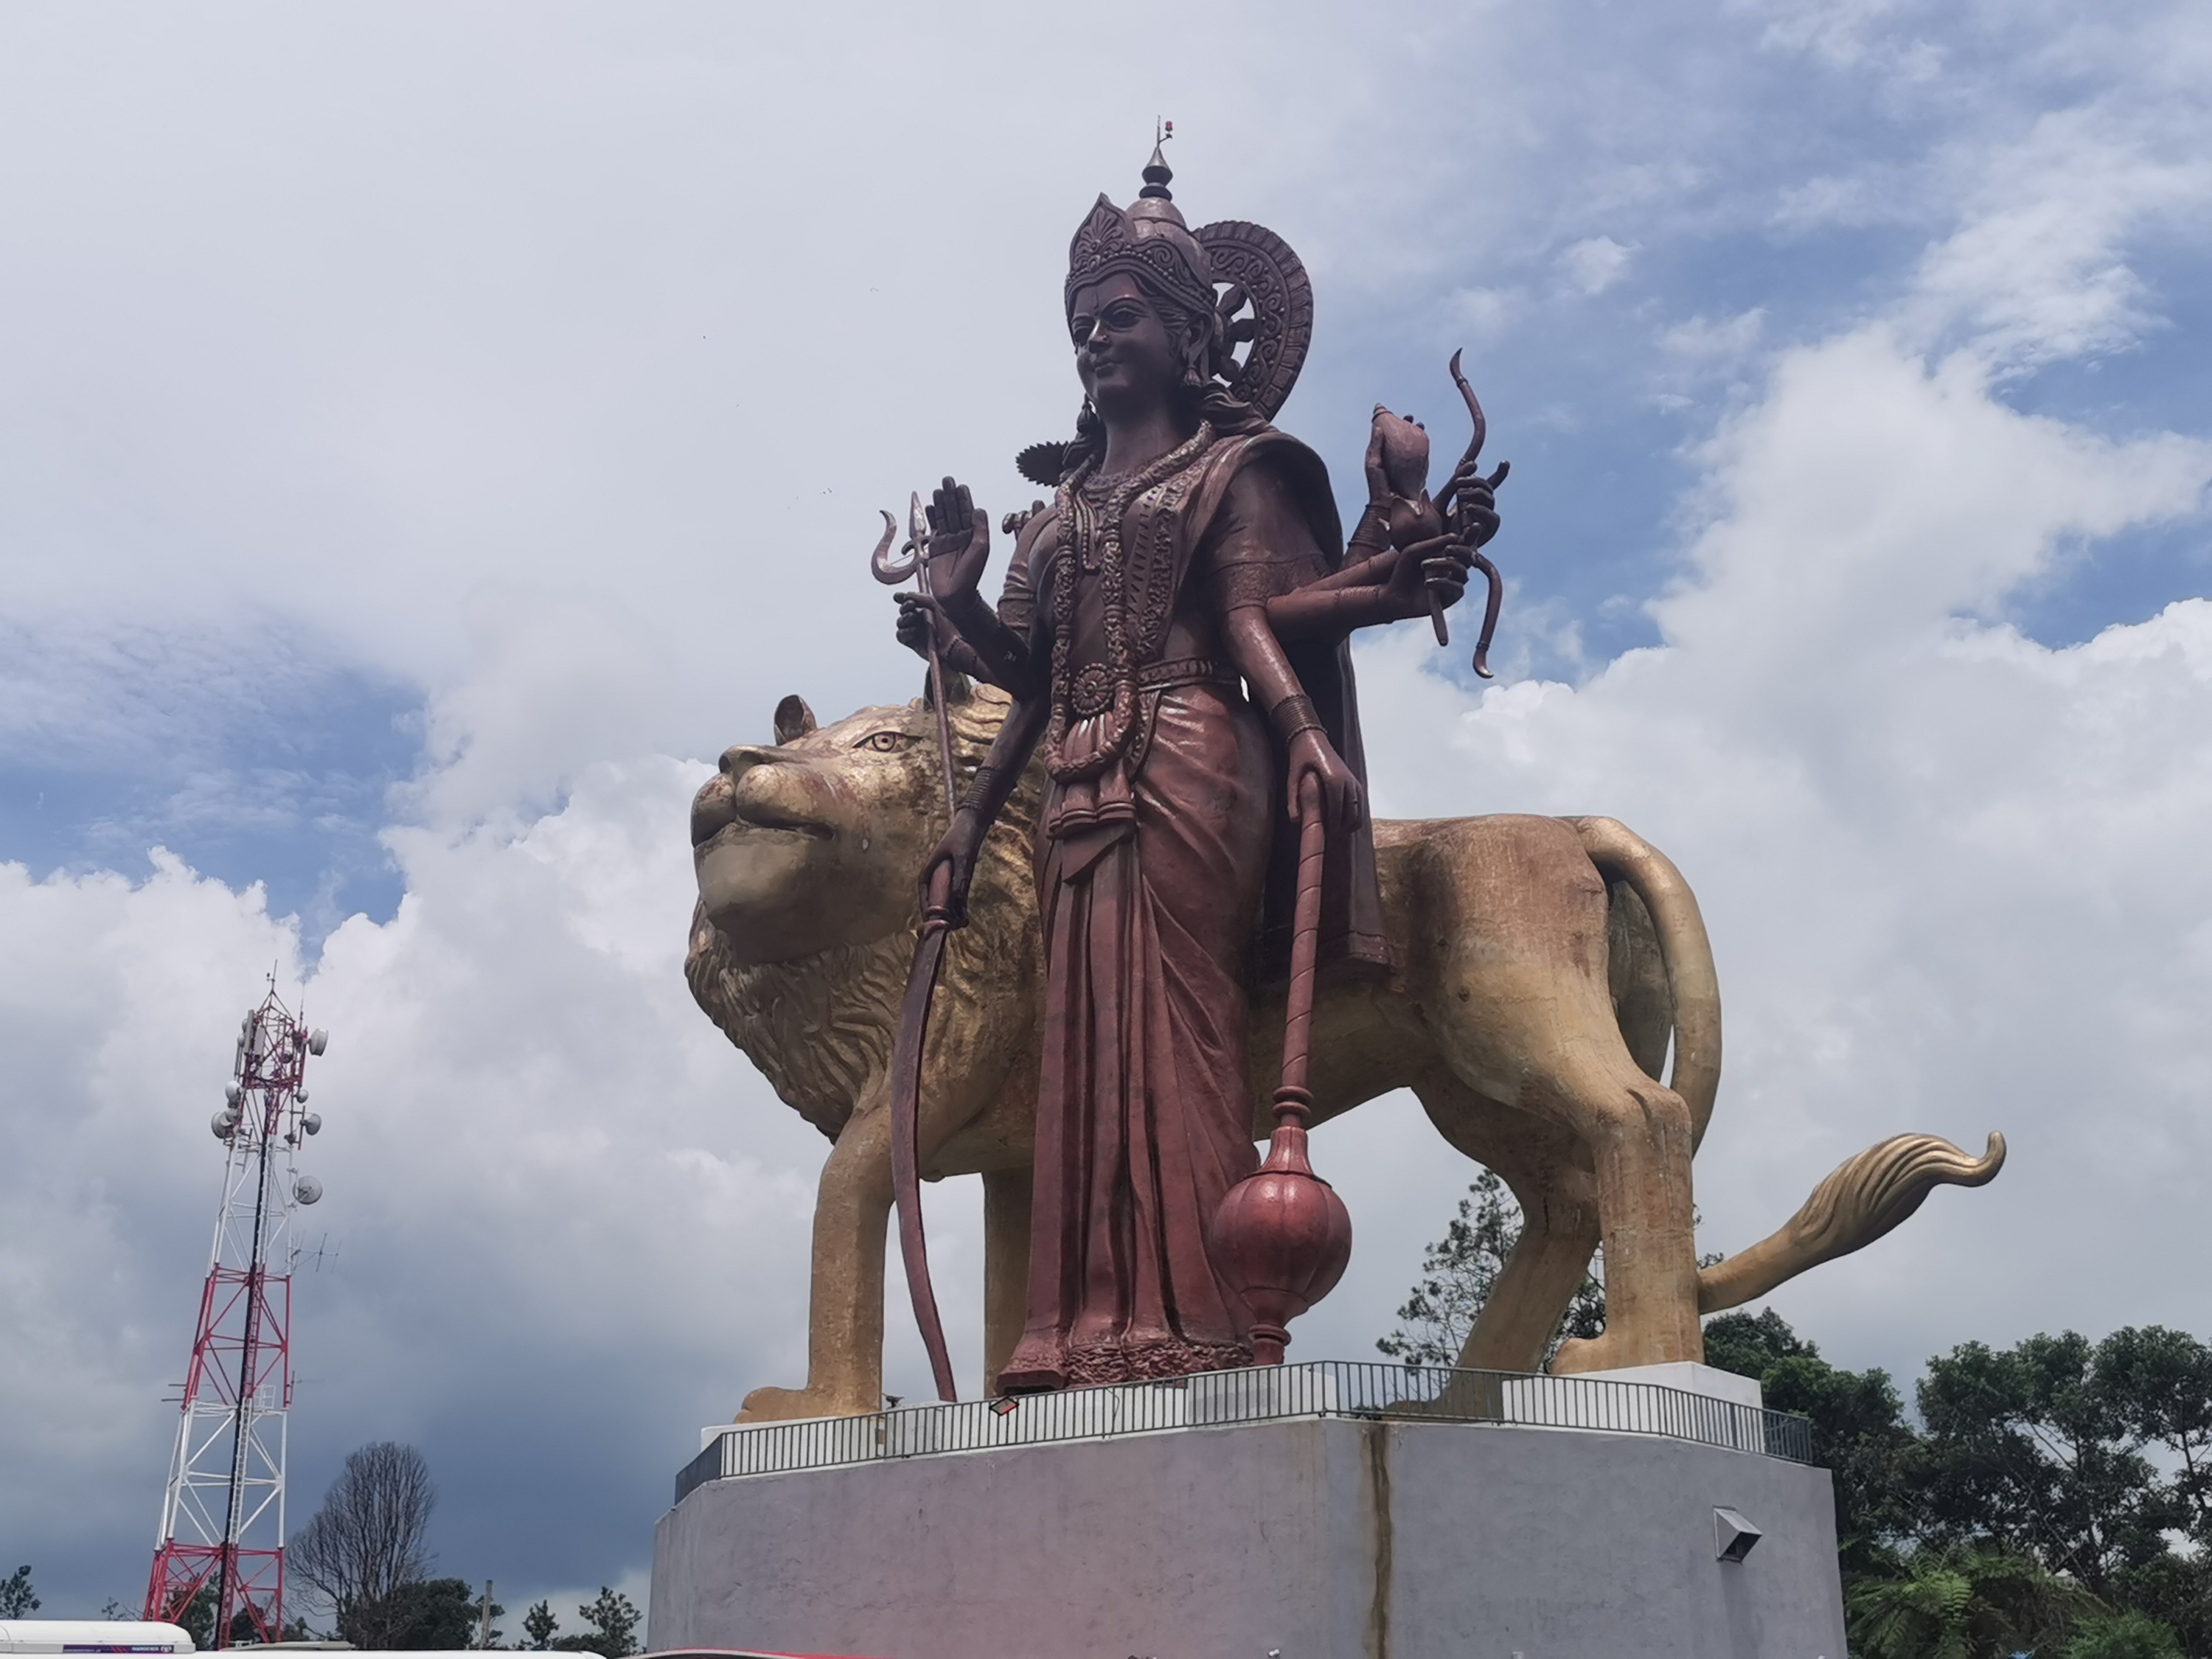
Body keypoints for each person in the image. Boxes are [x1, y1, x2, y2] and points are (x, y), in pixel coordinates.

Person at [896, 150, 1489, 1390]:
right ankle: (1074, 1330)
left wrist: (1324, 704)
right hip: (1072, 779)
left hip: (1192, 761)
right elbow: (1026, 678)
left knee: (1179, 1033)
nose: (1095, 341)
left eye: (1120, 317)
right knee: (1082, 1045)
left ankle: (1204, 1323)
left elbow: (1256, 621)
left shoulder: (1236, 468)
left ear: (1187, 332)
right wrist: (967, 780)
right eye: (1081, 324)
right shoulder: (1055, 511)